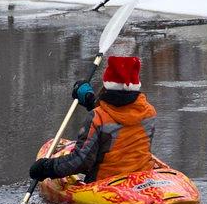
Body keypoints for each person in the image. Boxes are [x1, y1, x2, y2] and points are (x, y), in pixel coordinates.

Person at [29, 55, 157, 184]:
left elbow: (81, 161)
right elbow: (120, 118)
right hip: (142, 178)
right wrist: (90, 100)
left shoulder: (97, 117)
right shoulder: (149, 112)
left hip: (106, 182)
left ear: (108, 84)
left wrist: (46, 167)